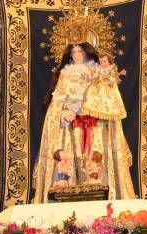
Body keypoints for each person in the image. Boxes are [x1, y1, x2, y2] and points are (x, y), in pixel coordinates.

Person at [32, 42, 135, 202]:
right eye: (73, 52)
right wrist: (63, 112)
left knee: (94, 155)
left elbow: (104, 95)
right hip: (70, 125)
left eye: (80, 51)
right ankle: (65, 183)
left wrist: (93, 105)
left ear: (87, 53)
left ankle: (95, 183)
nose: (77, 54)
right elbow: (57, 100)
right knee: (66, 155)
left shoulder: (95, 72)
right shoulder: (65, 74)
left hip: (93, 123)